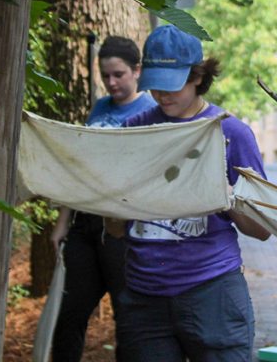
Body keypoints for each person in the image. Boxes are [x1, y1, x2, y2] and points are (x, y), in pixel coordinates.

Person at [115, 24, 271, 362]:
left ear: (198, 76)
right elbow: (115, 228)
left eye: (173, 85)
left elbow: (262, 229)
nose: (162, 94)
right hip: (144, 298)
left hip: (212, 291)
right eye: (155, 85)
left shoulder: (231, 133)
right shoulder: (132, 131)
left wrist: (224, 193)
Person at [50, 35, 157, 362]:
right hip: (84, 225)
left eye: (118, 75)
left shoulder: (152, 110)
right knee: (69, 313)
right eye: (105, 75)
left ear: (137, 71)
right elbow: (81, 167)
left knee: (127, 316)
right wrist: (62, 223)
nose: (111, 82)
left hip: (124, 229)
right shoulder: (99, 108)